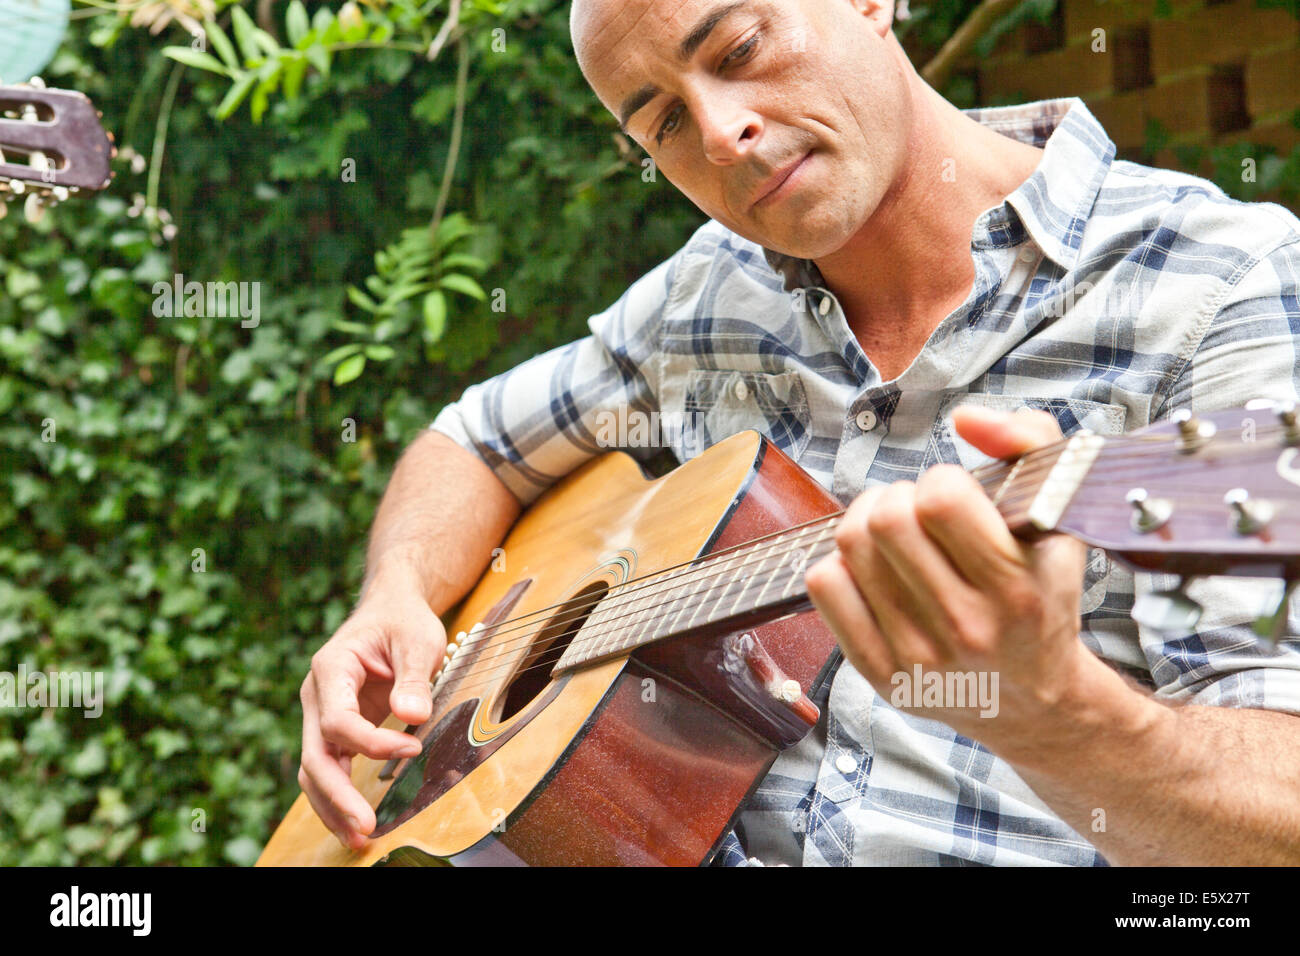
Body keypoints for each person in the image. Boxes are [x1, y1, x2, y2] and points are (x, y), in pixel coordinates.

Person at [296, 0, 1300, 865]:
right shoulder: (705, 295)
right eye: (662, 125)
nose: (721, 131)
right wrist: (393, 596)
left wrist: (1057, 714)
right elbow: (470, 439)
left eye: (736, 51)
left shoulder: (1219, 285)